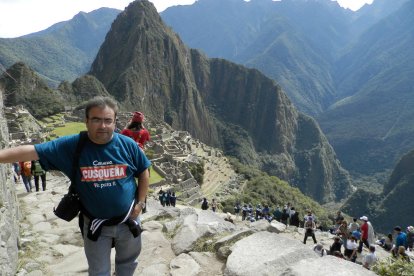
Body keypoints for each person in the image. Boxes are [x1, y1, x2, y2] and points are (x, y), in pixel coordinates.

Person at [0, 96, 150, 275]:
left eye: (107, 120)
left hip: (129, 221)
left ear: (115, 122)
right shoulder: (72, 146)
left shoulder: (127, 145)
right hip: (96, 224)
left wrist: (140, 203)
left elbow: (143, 170)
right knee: (98, 270)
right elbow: (32, 151)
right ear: (86, 121)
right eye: (96, 119)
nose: (102, 126)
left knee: (127, 265)